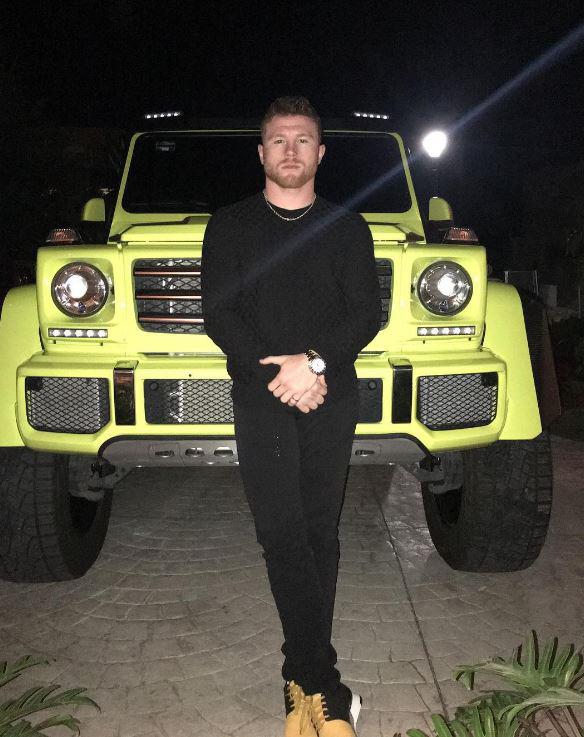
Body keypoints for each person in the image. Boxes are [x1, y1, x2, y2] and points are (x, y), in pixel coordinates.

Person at [201, 96, 381, 737]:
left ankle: (301, 684)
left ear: (321, 152)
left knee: (319, 538)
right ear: (261, 152)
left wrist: (314, 363)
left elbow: (366, 313)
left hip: (331, 396)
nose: (291, 150)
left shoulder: (347, 227)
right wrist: (277, 374)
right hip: (261, 398)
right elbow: (219, 314)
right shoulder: (229, 226)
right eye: (278, 140)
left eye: (303, 140)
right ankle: (323, 686)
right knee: (282, 537)